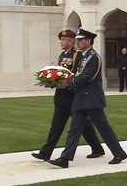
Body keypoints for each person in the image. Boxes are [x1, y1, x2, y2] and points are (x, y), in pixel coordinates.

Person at [48, 28, 127, 168]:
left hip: (91, 99)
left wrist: (69, 83)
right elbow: (76, 74)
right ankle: (65, 158)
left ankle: (119, 153)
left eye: (80, 40)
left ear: (88, 41)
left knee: (104, 128)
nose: (77, 42)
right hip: (81, 98)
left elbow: (86, 77)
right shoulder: (84, 56)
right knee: (74, 130)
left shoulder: (93, 57)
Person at [31, 30, 104, 162]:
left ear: (71, 41)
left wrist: (68, 83)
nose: (61, 42)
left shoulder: (77, 55)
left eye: (64, 39)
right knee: (56, 125)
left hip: (72, 95)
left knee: (83, 125)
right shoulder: (62, 55)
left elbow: (78, 73)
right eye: (61, 39)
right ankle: (46, 152)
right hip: (61, 96)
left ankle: (96, 148)